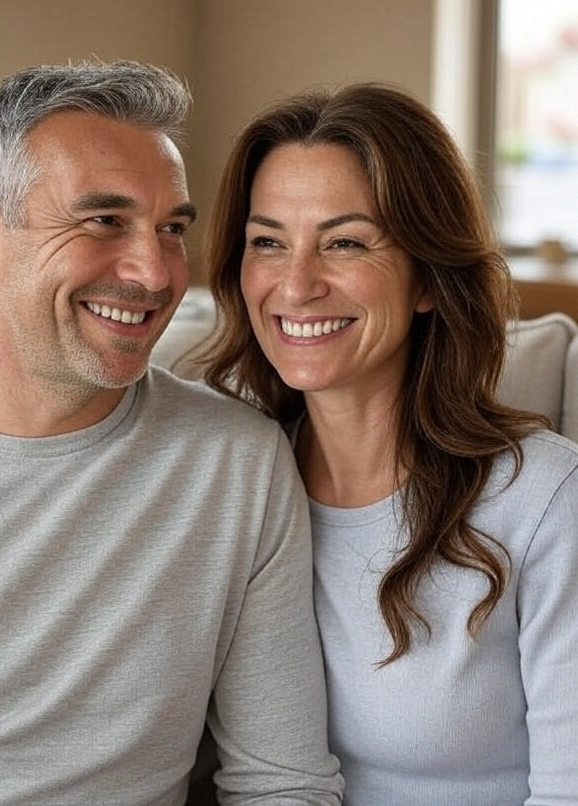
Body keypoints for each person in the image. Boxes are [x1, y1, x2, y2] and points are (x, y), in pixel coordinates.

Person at [0, 60, 343, 805]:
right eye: (104, 221)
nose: (155, 273)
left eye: (172, 229)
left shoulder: (235, 461)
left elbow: (282, 781)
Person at [203, 81, 578, 805]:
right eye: (268, 242)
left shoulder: (546, 501)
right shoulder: (233, 482)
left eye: (345, 242)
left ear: (427, 279)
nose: (296, 285)